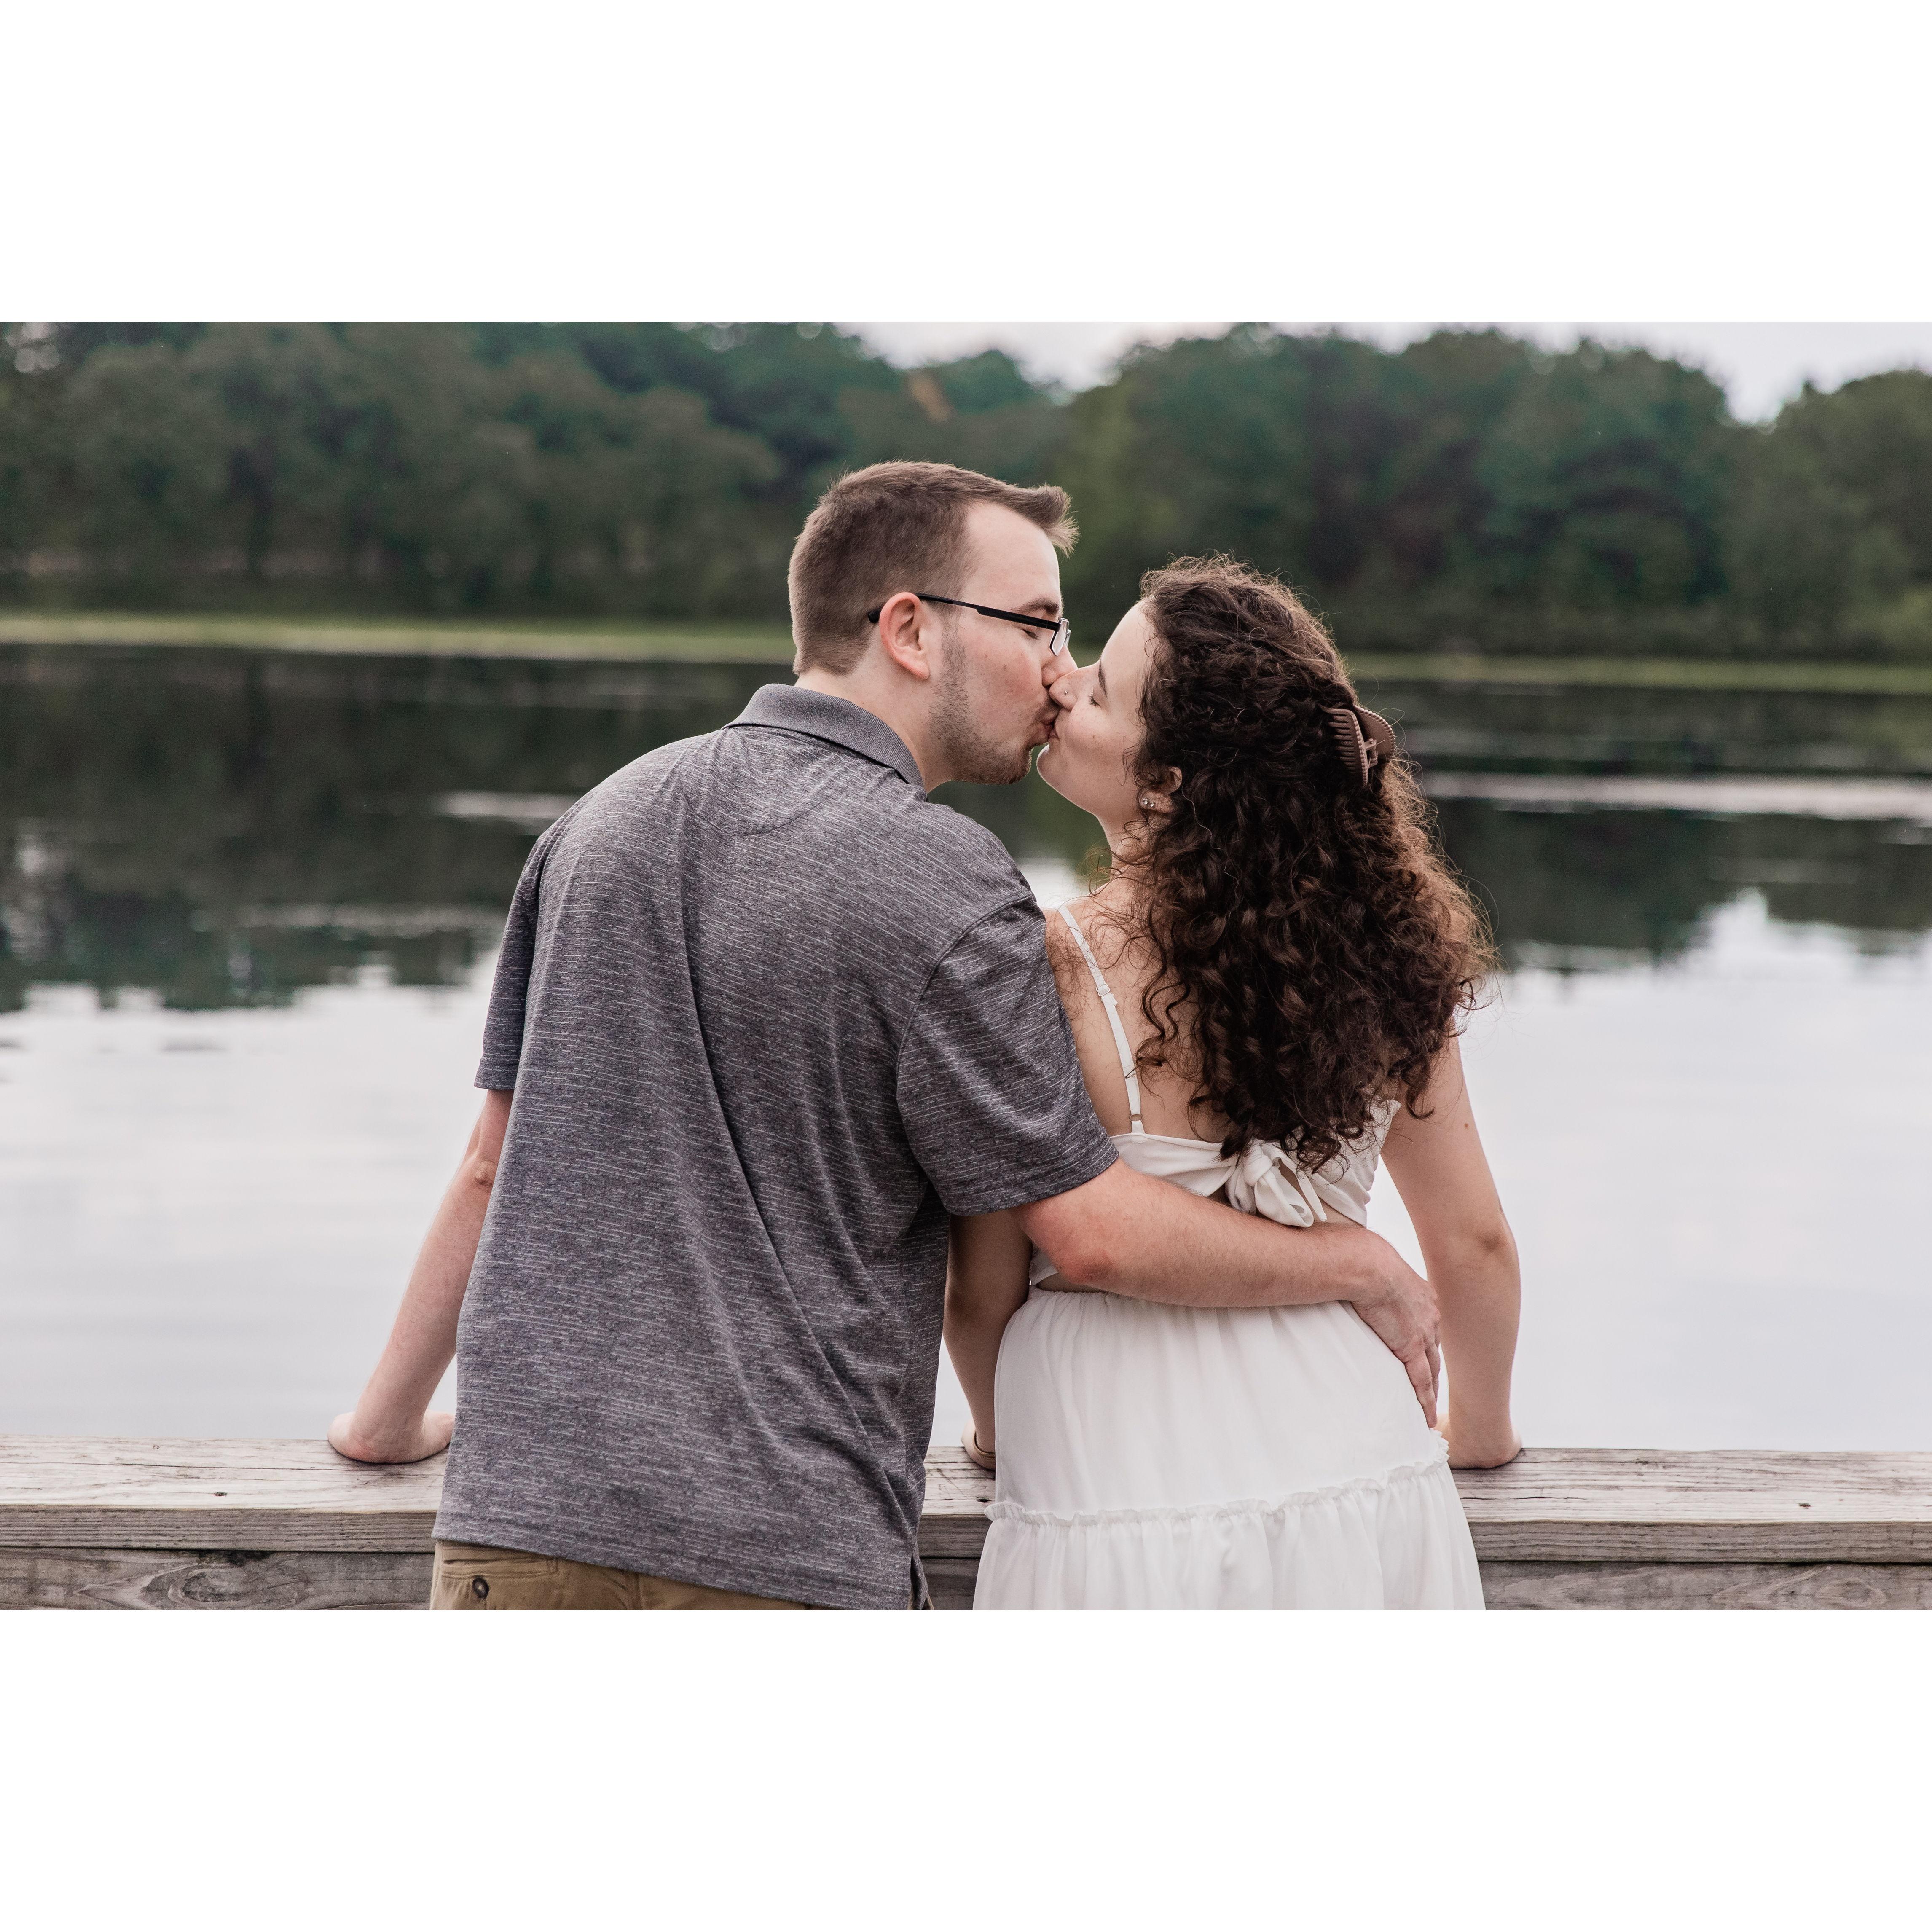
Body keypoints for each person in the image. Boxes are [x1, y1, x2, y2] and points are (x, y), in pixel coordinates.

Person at [328, 462, 1441, 1611]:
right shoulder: (952, 884)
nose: (1057, 673)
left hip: (513, 1547)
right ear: (910, 629)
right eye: (1038, 626)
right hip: (787, 1562)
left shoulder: (596, 824)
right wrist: (1351, 1261)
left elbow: (487, 1165)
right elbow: (1089, 1227)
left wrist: (384, 1422)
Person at [949, 556, 1521, 1610]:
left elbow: (980, 1290)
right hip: (1361, 1469)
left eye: (1103, 689)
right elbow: (1475, 1243)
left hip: (1110, 1484)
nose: (1062, 683)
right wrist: (1476, 1433)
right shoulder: (1388, 956)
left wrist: (996, 1435)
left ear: (1167, 783)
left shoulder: (1051, 964)